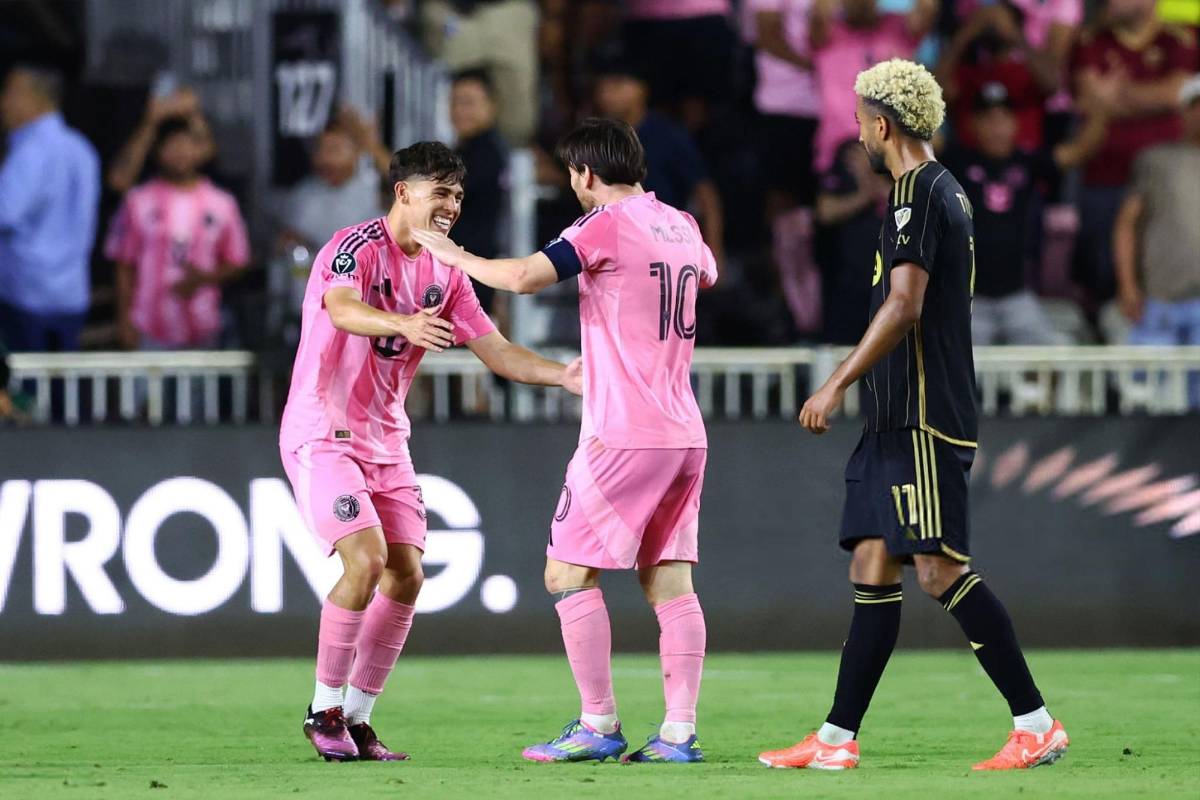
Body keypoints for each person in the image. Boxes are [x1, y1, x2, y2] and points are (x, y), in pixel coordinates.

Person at [758, 59, 1069, 772]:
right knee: (873, 562)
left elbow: (904, 305)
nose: (859, 134)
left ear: (882, 124)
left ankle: (1036, 723)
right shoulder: (932, 191)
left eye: (863, 121)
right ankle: (836, 741)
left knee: (936, 569)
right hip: (896, 416)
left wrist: (835, 382)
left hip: (922, 415)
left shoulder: (916, 196)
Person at [412, 118, 717, 764]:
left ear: (584, 174)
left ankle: (599, 723)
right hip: (684, 430)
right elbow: (705, 276)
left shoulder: (602, 223)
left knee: (566, 572)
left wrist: (454, 255)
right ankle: (679, 735)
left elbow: (525, 277)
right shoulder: (683, 225)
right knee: (671, 583)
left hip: (624, 430)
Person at [280, 141, 583, 762]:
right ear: (404, 192)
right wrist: (403, 324)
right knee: (363, 562)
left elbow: (497, 352)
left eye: (459, 196)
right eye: (440, 192)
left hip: (386, 437)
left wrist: (563, 376)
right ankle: (324, 708)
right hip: (323, 427)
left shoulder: (448, 272)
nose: (451, 206)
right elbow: (340, 309)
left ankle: (359, 719)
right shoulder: (354, 247)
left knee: (408, 574)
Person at [942, 81, 1107, 344]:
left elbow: (1078, 152)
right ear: (973, 125)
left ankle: (1029, 388)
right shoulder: (956, 161)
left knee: (1059, 355)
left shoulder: (1028, 162)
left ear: (1015, 124)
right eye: (988, 120)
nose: (997, 128)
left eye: (1004, 119)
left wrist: (1099, 110)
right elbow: (920, 144)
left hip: (1016, 295)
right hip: (970, 299)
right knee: (955, 367)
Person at [1069, 0, 1198, 305]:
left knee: (1163, 269)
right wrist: (1149, 96)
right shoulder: (1091, 40)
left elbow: (1174, 95)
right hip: (1105, 174)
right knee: (1099, 270)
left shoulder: (1180, 39)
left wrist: (1116, 95)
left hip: (1165, 184)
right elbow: (1088, 98)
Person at [105, 116, 251, 351]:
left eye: (188, 143)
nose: (181, 152)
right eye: (172, 144)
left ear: (202, 150)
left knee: (203, 389)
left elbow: (239, 260)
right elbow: (123, 264)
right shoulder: (138, 201)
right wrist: (124, 320)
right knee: (150, 389)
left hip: (204, 326)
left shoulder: (222, 203)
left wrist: (205, 278)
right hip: (149, 326)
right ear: (157, 150)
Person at [1113, 74, 1200, 405]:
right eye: (1197, 107)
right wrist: (1128, 286)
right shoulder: (1155, 159)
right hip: (1160, 300)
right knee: (1150, 402)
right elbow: (1126, 224)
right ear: (1184, 112)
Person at [0, 64, 100, 352]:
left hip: (25, 296)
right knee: (61, 391)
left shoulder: (31, 151)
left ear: (28, 97)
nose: (3, 103)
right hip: (70, 295)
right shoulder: (81, 148)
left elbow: (4, 212)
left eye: (8, 93)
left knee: (26, 392)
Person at [592, 57, 725, 268]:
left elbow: (705, 194)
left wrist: (714, 251)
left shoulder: (667, 135)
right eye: (602, 86)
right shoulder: (594, 136)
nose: (606, 94)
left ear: (641, 89)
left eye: (616, 85)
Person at [810, 0, 938, 176]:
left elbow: (927, 8)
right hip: (841, 147)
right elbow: (819, 13)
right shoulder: (828, 32)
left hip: (893, 144)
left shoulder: (898, 27)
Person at [450, 68, 510, 315]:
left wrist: (372, 146)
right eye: (455, 102)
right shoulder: (463, 149)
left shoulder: (488, 152)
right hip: (458, 269)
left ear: (492, 107)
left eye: (470, 103)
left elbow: (433, 193)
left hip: (474, 273)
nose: (461, 111)